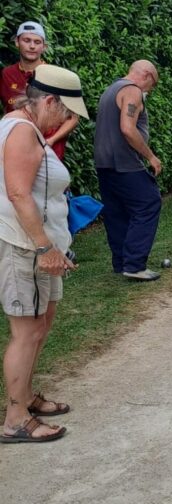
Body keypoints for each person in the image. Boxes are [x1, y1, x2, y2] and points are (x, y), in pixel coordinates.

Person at [0, 64, 88, 443]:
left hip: (41, 245)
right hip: (26, 247)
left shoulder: (27, 127)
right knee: (26, 331)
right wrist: (44, 247)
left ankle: (27, 396)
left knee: (41, 324)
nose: (65, 121)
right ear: (50, 100)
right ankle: (15, 418)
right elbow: (19, 193)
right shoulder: (21, 131)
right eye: (66, 112)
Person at [93, 60, 162, 281]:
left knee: (117, 212)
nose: (149, 91)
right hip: (124, 162)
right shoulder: (132, 91)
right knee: (149, 203)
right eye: (153, 85)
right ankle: (134, 264)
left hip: (104, 163)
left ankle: (121, 261)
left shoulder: (110, 89)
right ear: (148, 76)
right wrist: (150, 156)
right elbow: (127, 128)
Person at [1, 22, 79, 161]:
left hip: (48, 156)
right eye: (26, 40)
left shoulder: (57, 77)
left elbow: (73, 118)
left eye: (37, 42)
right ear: (17, 42)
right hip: (14, 154)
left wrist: (50, 141)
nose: (32, 46)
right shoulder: (6, 74)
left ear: (44, 47)